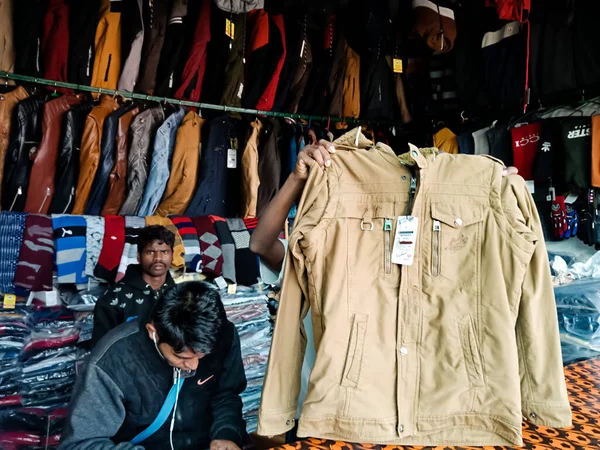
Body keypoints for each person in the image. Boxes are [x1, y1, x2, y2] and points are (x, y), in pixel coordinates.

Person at [60, 281, 247, 450]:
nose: (193, 366)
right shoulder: (111, 362)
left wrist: (226, 433)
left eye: (202, 356)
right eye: (181, 356)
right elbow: (80, 443)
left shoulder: (223, 336)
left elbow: (226, 393)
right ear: (153, 332)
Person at [91, 225, 176, 346]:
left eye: (164, 252)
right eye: (150, 252)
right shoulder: (114, 296)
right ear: (138, 257)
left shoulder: (180, 295)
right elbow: (101, 347)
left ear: (172, 255)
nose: (158, 258)